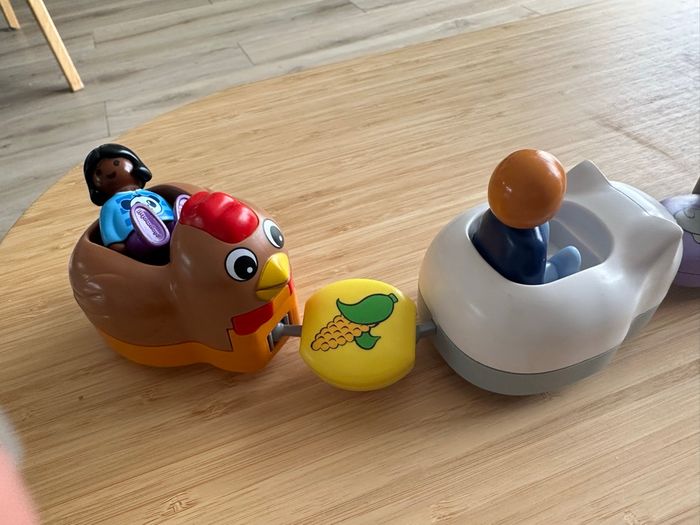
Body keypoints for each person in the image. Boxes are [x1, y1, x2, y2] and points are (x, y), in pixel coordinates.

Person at [472, 149, 581, 285]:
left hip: (492, 267)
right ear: (549, 207)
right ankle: (559, 274)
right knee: (572, 256)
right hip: (518, 285)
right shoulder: (533, 246)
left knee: (545, 227)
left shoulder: (488, 218)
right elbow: (534, 282)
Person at [83, 144, 174, 260]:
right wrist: (116, 246)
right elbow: (109, 231)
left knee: (177, 227)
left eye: (116, 163)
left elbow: (167, 209)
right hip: (135, 234)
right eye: (99, 172)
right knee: (141, 243)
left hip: (166, 223)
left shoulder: (151, 194)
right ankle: (153, 243)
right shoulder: (109, 206)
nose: (109, 172)